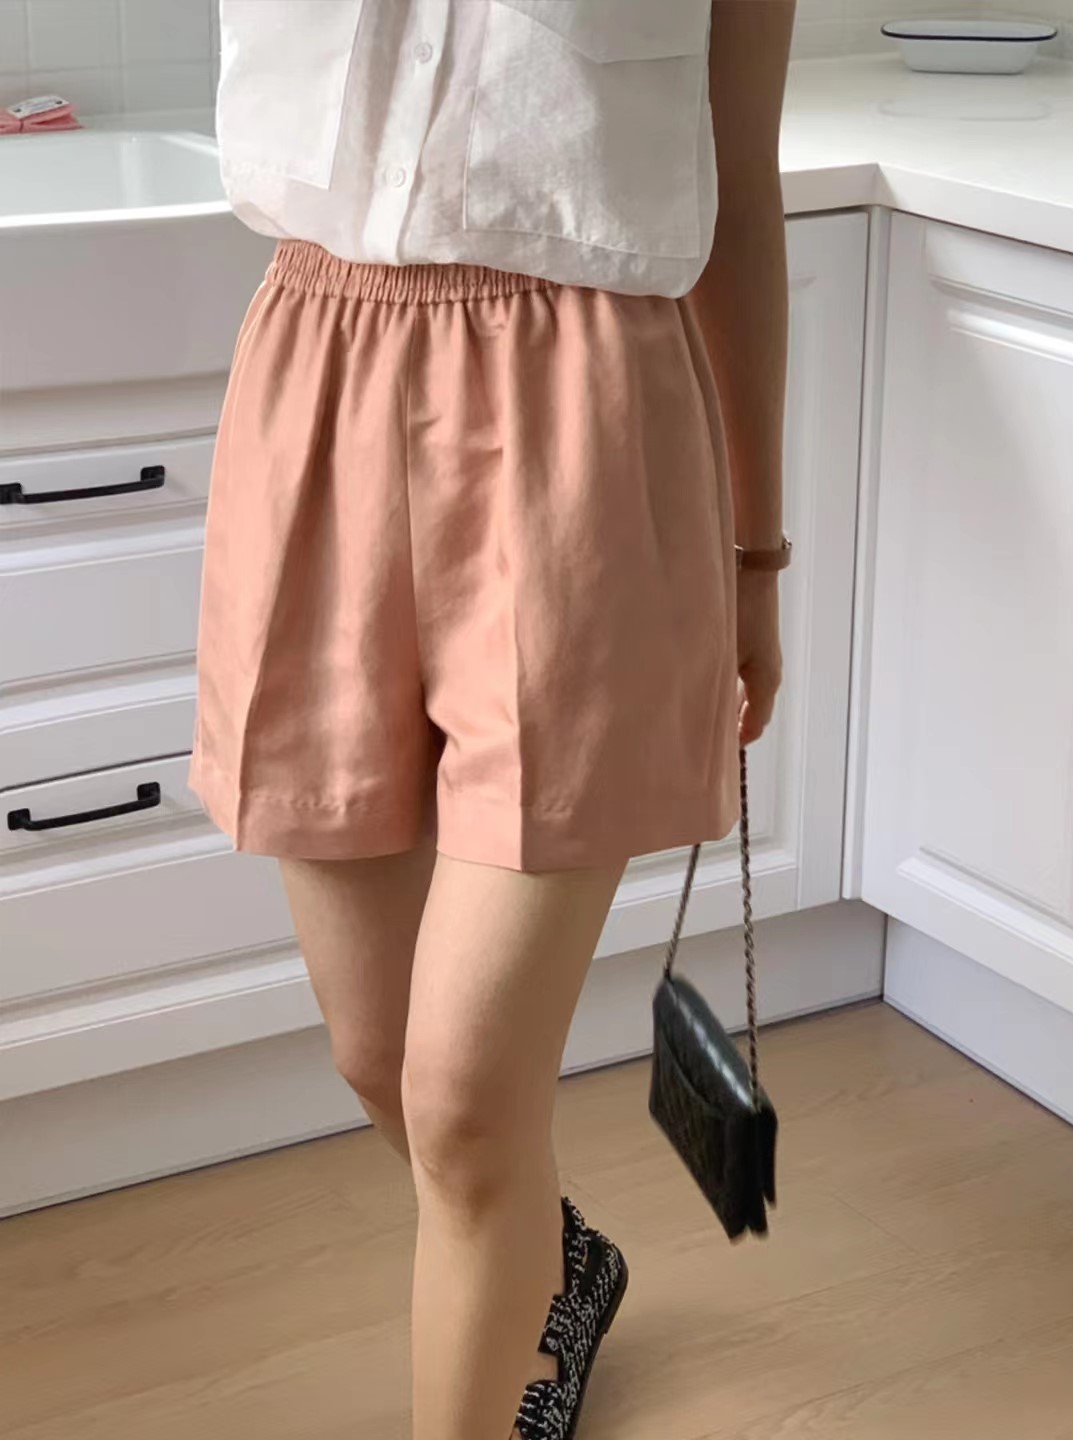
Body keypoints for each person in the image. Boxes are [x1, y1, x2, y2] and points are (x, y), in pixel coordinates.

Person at [190, 2, 795, 1436]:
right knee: (379, 1056)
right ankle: (556, 1268)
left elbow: (736, 182)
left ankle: (506, 1266)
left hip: (586, 419)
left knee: (464, 1099)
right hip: (319, 383)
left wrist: (754, 556)